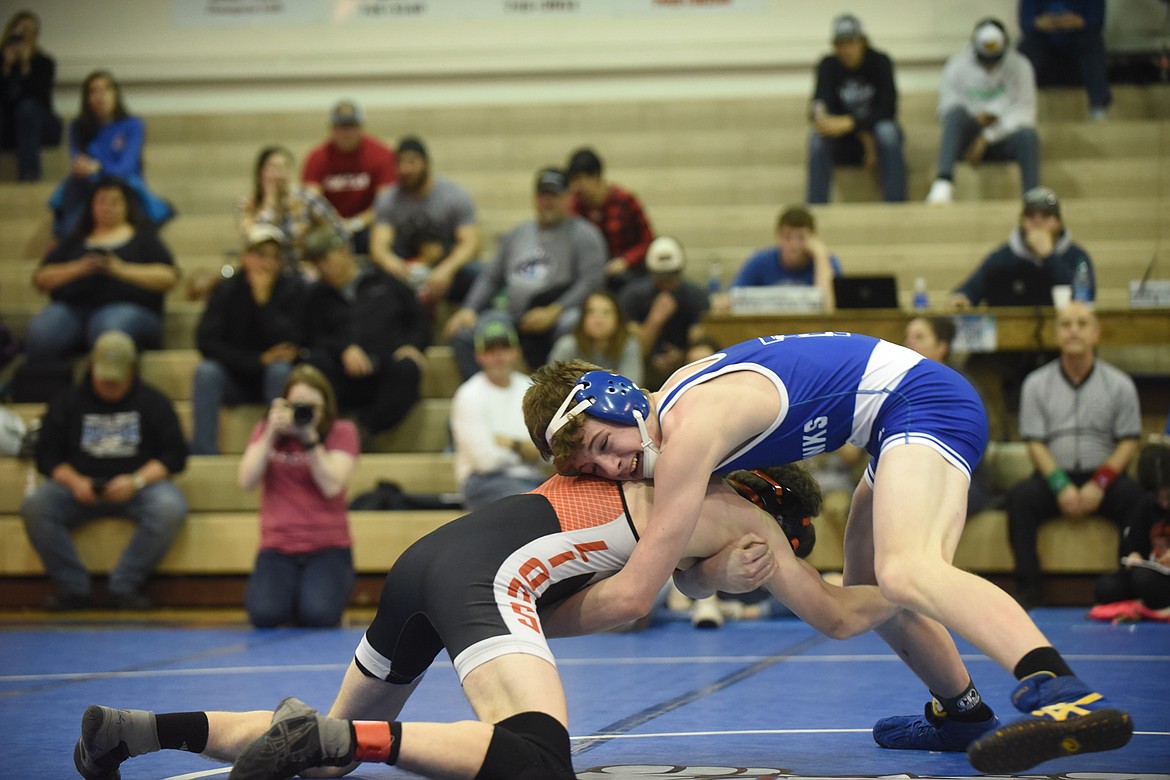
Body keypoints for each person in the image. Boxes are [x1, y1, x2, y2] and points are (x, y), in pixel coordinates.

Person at [523, 338, 1134, 773]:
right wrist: (714, 570)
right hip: (890, 424)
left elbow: (638, 591)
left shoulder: (690, 432)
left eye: (602, 445)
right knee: (875, 587)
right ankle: (964, 714)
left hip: (925, 403)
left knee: (906, 569)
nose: (607, 468)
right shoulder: (674, 434)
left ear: (615, 397)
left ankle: (1063, 688)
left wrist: (522, 616)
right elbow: (688, 579)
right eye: (587, 468)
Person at [74, 464, 900, 780]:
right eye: (780, 551)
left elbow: (666, 574)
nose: (765, 568)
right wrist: (912, 583)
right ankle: (344, 742)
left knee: (319, 747)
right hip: (487, 580)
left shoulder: (660, 473)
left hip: (429, 560)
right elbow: (830, 615)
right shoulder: (743, 515)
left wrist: (701, 575)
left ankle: (136, 731)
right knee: (537, 759)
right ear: (774, 509)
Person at [20, 330, 188, 611]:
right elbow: (46, 456)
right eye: (103, 377)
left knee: (169, 506)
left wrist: (136, 481)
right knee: (36, 506)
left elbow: (175, 456)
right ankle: (73, 588)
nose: (109, 385)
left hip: (137, 488)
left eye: (116, 380)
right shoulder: (67, 401)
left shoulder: (153, 402)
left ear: (132, 372)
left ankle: (124, 586)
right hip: (78, 487)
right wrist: (74, 482)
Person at [1006, 301, 1145, 608]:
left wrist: (1100, 484)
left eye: (1082, 324)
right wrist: (1060, 485)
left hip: (1104, 476)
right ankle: (1029, 589)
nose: (1073, 331)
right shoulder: (1036, 383)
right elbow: (1035, 443)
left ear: (1095, 333)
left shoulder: (1119, 384)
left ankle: (1128, 585)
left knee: (1137, 499)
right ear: (1056, 334)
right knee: (1020, 499)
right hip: (1054, 475)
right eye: (1066, 324)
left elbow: (1128, 441)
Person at [444, 167, 606, 380]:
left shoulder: (585, 235)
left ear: (568, 198)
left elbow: (590, 282)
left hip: (560, 316)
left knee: (574, 322)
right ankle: (492, 395)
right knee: (466, 333)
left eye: (554, 195)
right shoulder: (517, 233)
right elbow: (491, 277)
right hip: (514, 317)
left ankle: (557, 393)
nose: (547, 201)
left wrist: (554, 311)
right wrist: (470, 308)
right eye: (542, 195)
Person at [237, 364, 359, 628]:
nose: (304, 413)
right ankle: (294, 597)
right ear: (283, 405)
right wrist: (270, 431)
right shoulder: (267, 431)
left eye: (312, 407)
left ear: (325, 408)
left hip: (328, 548)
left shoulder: (342, 431)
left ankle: (311, 597)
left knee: (319, 616)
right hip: (278, 547)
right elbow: (246, 480)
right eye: (297, 406)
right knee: (264, 615)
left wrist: (309, 438)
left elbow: (331, 485)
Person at [300, 225, 430, 445]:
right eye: (316, 262)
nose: (321, 267)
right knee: (314, 365)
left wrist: (412, 345)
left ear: (343, 251)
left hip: (386, 370)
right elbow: (309, 337)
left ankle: (365, 429)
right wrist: (343, 348)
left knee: (408, 368)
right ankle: (327, 429)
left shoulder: (385, 282)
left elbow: (419, 319)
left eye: (325, 258)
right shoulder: (316, 296)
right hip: (341, 376)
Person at [27, 176, 179, 361]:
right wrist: (80, 268)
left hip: (130, 309)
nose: (107, 207)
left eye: (115, 202)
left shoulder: (144, 239)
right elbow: (41, 278)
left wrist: (119, 269)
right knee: (43, 333)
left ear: (126, 205)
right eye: (101, 201)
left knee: (108, 329)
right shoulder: (74, 239)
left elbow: (169, 277)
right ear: (91, 205)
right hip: (73, 308)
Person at [190, 224, 306, 455]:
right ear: (245, 257)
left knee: (281, 370)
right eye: (260, 255)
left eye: (274, 257)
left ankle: (279, 450)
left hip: (274, 379)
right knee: (206, 372)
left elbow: (293, 340)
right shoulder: (226, 290)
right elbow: (206, 341)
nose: (267, 264)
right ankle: (204, 452)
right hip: (235, 377)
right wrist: (257, 360)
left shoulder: (293, 288)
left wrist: (265, 304)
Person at [925, 18, 1040, 204]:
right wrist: (977, 118)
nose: (989, 66)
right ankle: (943, 182)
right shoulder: (956, 66)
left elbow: (1026, 112)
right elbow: (946, 107)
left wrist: (987, 136)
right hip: (968, 135)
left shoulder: (1021, 66)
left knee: (1028, 136)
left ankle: (1032, 198)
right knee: (955, 116)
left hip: (1004, 136)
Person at [48, 70, 174, 238]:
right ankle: (69, 235)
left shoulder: (133, 125)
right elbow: (77, 161)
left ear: (115, 93)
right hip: (88, 186)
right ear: (87, 98)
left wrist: (99, 168)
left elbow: (126, 167)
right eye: (93, 91)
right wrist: (87, 169)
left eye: (105, 89)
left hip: (124, 184)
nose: (100, 96)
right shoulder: (78, 127)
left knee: (115, 188)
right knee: (75, 183)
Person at [369, 136, 481, 306]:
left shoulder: (454, 195)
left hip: (446, 266)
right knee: (373, 278)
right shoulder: (388, 199)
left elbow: (470, 243)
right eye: (400, 163)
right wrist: (397, 267)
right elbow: (379, 247)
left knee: (479, 273)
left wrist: (446, 270)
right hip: (406, 269)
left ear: (426, 163)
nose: (405, 169)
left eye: (412, 162)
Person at [807, 13, 907, 204]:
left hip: (874, 133)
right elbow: (819, 102)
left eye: (851, 42)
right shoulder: (827, 65)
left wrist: (853, 123)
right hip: (843, 139)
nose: (846, 49)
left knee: (888, 131)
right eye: (840, 44)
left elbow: (888, 108)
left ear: (862, 41)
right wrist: (821, 119)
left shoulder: (880, 62)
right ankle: (816, 206)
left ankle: (896, 204)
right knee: (816, 138)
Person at [451, 318, 548, 511]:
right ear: (479, 356)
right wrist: (524, 449)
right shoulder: (468, 395)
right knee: (537, 506)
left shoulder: (530, 389)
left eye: (504, 348)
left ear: (516, 351)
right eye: (490, 350)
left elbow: (548, 453)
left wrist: (511, 444)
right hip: (483, 482)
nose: (498, 356)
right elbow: (485, 461)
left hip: (533, 478)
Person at [903, 315, 995, 515]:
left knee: (920, 504)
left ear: (941, 347)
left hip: (964, 478)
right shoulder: (901, 386)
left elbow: (975, 443)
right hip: (914, 475)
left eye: (919, 337)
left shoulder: (962, 388)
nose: (909, 343)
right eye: (907, 337)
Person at [948, 186, 1094, 309]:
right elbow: (970, 289)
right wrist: (962, 297)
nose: (1038, 222)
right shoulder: (1003, 257)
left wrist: (1049, 256)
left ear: (1059, 223)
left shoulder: (1078, 257)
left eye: (1046, 216)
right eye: (1031, 216)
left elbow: (1084, 297)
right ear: (1022, 222)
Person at [301, 99, 396, 255]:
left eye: (351, 126)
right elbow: (311, 201)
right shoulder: (317, 158)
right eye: (341, 127)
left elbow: (385, 204)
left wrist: (355, 224)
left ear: (361, 127)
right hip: (328, 227)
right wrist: (334, 224)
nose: (346, 133)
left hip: (367, 227)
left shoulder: (382, 155)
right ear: (331, 128)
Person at [617, 235, 709, 388]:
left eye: (671, 277)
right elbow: (636, 350)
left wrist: (682, 356)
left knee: (700, 354)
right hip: (645, 364)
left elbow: (700, 340)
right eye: (660, 278)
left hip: (683, 363)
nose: (666, 283)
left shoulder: (696, 296)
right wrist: (655, 321)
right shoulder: (632, 296)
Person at [1090, 442, 1170, 617]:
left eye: (1168, 495)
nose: (1164, 503)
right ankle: (1149, 604)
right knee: (1105, 588)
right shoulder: (1145, 503)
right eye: (1158, 497)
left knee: (1144, 580)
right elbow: (1131, 545)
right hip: (1154, 574)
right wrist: (1134, 555)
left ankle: (1148, 603)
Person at [237, 145, 346, 267]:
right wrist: (270, 205)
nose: (279, 174)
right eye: (273, 167)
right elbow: (256, 242)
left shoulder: (307, 199)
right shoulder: (249, 206)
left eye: (284, 167)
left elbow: (339, 230)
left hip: (303, 270)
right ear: (260, 172)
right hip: (268, 271)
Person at [565, 146, 655, 292]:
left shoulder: (625, 200)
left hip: (627, 275)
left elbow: (648, 240)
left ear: (596, 176)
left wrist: (626, 261)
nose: (576, 187)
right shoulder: (574, 207)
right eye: (573, 181)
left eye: (580, 180)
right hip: (591, 275)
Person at [729, 205, 842, 311]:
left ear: (812, 238)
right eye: (787, 237)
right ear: (778, 236)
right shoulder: (759, 261)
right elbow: (731, 300)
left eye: (801, 237)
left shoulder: (826, 263)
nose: (794, 245)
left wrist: (821, 255)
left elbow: (828, 308)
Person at [1019, 0, 1111, 120]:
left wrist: (1077, 22)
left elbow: (1097, 22)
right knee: (1028, 45)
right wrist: (1041, 23)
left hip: (1077, 49)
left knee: (1092, 41)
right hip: (1045, 48)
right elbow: (1026, 23)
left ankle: (1098, 107)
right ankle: (1018, 106)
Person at [0, 9, 61, 181]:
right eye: (21, 30)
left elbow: (41, 98)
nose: (25, 35)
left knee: (27, 108)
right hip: (8, 128)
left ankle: (29, 175)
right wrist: (5, 69)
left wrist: (26, 66)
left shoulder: (43, 62)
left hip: (38, 125)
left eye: (30, 31)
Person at [548, 289, 643, 385]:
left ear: (618, 318)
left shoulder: (628, 344)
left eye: (606, 313)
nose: (598, 320)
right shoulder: (567, 345)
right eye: (591, 312)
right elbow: (550, 385)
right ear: (582, 318)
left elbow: (631, 386)